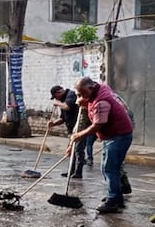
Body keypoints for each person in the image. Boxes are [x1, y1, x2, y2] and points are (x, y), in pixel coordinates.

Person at [70, 77, 134, 214]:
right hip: (112, 136)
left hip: (119, 136)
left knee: (110, 168)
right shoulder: (99, 89)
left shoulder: (101, 102)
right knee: (108, 168)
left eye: (81, 94)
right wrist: (84, 101)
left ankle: (113, 201)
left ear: (90, 89)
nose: (79, 98)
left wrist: (79, 135)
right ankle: (116, 196)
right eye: (78, 95)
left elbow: (97, 125)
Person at [48, 85, 83, 178]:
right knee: (71, 151)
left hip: (79, 128)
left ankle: (78, 172)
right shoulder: (63, 100)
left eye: (55, 96)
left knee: (78, 150)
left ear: (59, 92)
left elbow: (67, 107)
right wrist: (53, 124)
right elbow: (63, 118)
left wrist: (57, 103)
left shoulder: (70, 95)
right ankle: (71, 171)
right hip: (71, 129)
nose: (56, 99)